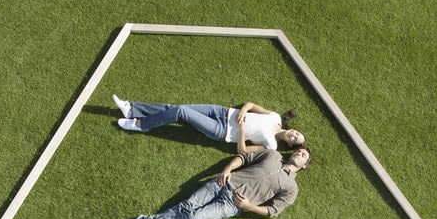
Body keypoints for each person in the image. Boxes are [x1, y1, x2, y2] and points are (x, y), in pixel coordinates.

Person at [122, 146, 312, 219]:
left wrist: (249, 207)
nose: (299, 153)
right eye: (299, 151)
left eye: (303, 155)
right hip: (223, 182)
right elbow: (244, 157)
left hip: (232, 205)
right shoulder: (272, 155)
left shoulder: (292, 188)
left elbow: (273, 211)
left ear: (303, 166)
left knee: (194, 217)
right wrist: (227, 169)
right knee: (186, 206)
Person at [112, 96, 306, 150]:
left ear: (289, 144)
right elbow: (252, 104)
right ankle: (131, 109)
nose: (294, 135)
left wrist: (243, 129)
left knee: (180, 111)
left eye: (295, 140)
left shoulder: (271, 145)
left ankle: (141, 125)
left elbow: (243, 151)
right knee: (175, 107)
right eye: (297, 133)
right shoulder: (275, 118)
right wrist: (244, 111)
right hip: (223, 111)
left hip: (222, 131)